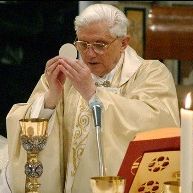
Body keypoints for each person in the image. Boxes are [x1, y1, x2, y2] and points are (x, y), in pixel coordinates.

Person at [1, 3, 180, 193]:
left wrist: (93, 95)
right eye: (83, 44)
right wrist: (51, 99)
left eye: (99, 45)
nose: (89, 53)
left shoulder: (151, 73)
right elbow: (25, 126)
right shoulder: (66, 76)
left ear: (124, 43)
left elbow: (159, 123)